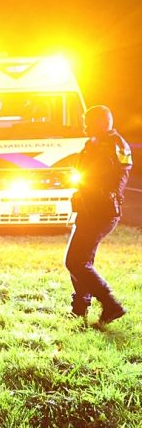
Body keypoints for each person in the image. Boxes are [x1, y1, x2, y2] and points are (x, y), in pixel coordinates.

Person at [66, 104, 131, 323]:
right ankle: (80, 308)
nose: (84, 126)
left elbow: (117, 175)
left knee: (75, 262)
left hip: (100, 211)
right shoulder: (94, 143)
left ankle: (111, 304)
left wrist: (102, 195)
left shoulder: (114, 145)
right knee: (82, 261)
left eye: (87, 122)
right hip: (88, 208)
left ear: (100, 123)